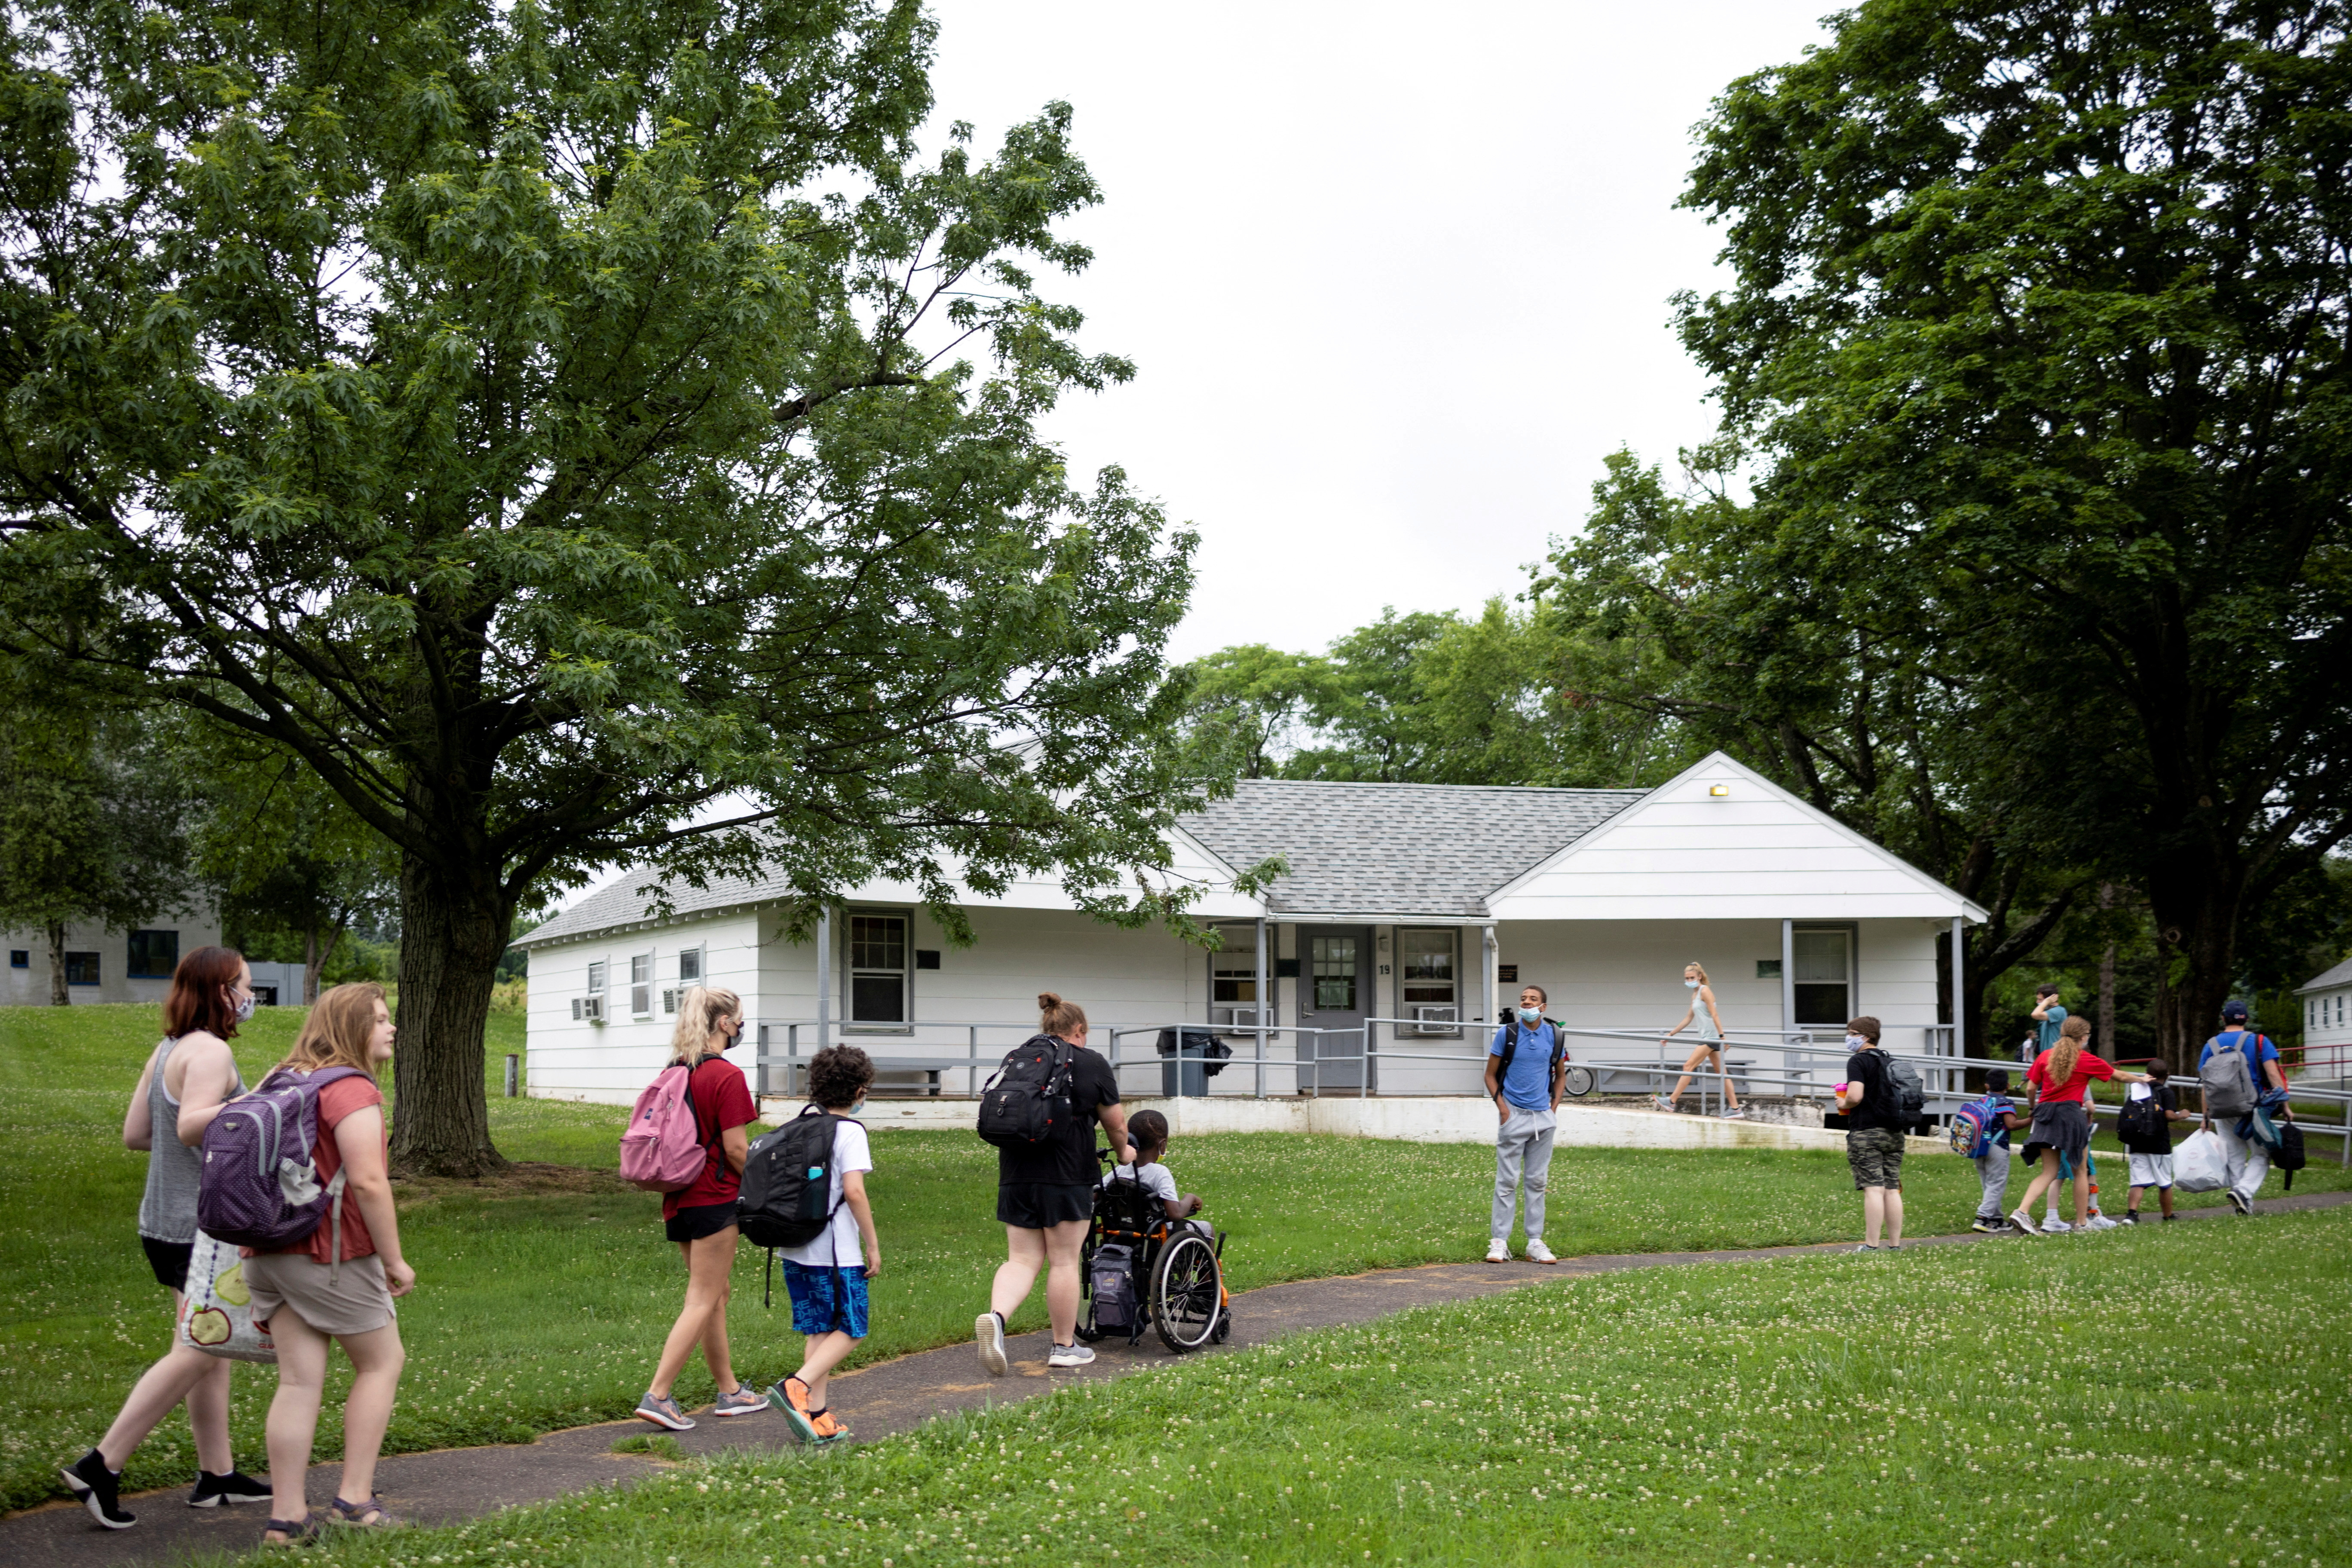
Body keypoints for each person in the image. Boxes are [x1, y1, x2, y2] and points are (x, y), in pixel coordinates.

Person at [60, 947, 271, 1531]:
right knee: (200, 1347)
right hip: (198, 1229)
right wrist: (258, 1105)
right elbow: (189, 1125)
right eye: (247, 987)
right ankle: (101, 1465)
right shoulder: (210, 1052)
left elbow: (136, 1135)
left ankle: (217, 1475)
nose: (252, 999)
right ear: (223, 991)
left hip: (162, 1223)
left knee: (211, 1346)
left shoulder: (169, 1049)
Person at [248, 984, 415, 1544]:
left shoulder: (280, 1076)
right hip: (328, 1253)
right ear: (352, 1028)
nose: (391, 1029)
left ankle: (288, 1518)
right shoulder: (350, 1088)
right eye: (381, 1020)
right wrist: (394, 1260)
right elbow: (368, 1180)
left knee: (298, 1383)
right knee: (382, 1362)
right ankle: (354, 1498)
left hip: (268, 1249)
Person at [976, 992, 1134, 1375]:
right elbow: (1115, 1123)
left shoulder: (1019, 1058)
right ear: (1079, 1030)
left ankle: (996, 1319)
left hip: (1016, 1174)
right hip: (1066, 1176)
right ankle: (1064, 1346)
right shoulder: (1092, 1063)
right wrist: (1126, 1153)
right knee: (1063, 1260)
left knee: (1022, 1260)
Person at [634, 986, 764, 1432]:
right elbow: (735, 1149)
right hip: (715, 1198)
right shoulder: (726, 1077)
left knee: (715, 1296)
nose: (742, 1027)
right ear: (724, 1023)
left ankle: (730, 1392)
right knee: (703, 1298)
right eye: (739, 1019)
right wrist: (764, 1186)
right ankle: (660, 1394)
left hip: (678, 1199)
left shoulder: (677, 1070)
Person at [767, 1046, 880, 1447]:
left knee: (820, 1329)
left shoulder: (798, 1125)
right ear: (860, 1089)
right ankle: (794, 1386)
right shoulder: (849, 1131)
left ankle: (816, 1415)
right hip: (837, 1253)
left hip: (795, 1249)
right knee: (852, 1328)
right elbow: (854, 1191)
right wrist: (873, 1244)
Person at [2009, 1016, 2152, 1236]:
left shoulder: (2046, 1056)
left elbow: (2030, 1088)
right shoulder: (2086, 1059)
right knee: (2080, 1171)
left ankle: (2021, 1212)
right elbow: (2119, 1075)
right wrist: (2142, 1079)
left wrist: (2032, 1109)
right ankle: (2082, 1224)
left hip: (2045, 1114)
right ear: (2084, 1037)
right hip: (2070, 1116)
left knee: (2049, 1171)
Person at [1485, 984, 1566, 1264]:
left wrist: (1553, 1109)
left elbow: (1561, 1075)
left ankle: (1535, 1242)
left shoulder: (1555, 1036)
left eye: (1533, 1000)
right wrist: (1504, 1110)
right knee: (1507, 1181)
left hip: (1543, 1118)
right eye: (1523, 999)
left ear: (1543, 1007)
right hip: (1514, 1115)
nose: (1527, 1003)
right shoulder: (1507, 1034)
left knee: (1537, 1181)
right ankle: (1499, 1242)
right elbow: (1490, 1075)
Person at [2198, 999, 2293, 1217]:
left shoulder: (2211, 1045)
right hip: (2253, 1110)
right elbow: (2273, 1075)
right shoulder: (2259, 1041)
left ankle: (2241, 1207)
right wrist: (2285, 1105)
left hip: (2222, 1111)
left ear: (2223, 1018)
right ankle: (2244, 1191)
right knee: (2261, 1154)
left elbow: (2206, 1084)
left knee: (2234, 1158)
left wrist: (2206, 1116)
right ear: (2246, 1020)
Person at [1832, 1016, 1907, 1252]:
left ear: (1865, 1037)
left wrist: (1842, 1104)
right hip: (1895, 1132)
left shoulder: (1858, 1061)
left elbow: (1855, 1096)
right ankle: (1895, 1246)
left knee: (1873, 1189)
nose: (1849, 1038)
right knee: (1892, 1188)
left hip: (1867, 1132)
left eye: (1852, 1033)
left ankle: (1871, 1247)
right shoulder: (1890, 1061)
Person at [1652, 962, 1744, 1119]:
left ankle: (1672, 1101)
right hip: (1708, 1037)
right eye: (1687, 979)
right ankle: (1736, 1109)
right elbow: (1689, 1018)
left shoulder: (1705, 991)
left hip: (1712, 1037)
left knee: (1688, 1066)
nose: (1689, 981)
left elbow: (1715, 1015)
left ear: (1700, 977)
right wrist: (1671, 1034)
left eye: (1692, 978)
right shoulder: (1695, 995)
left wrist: (1723, 1038)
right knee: (1722, 1072)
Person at [1102, 1108, 1210, 1235]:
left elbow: (1095, 1194)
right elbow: (1175, 1214)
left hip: (1121, 1231)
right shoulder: (1160, 1173)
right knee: (1207, 1228)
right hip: (1155, 1234)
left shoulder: (1120, 1170)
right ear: (1162, 1145)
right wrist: (1190, 1197)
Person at [2122, 1061, 2187, 1223]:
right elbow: (2170, 1116)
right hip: (2159, 1143)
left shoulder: (2137, 1091)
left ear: (2148, 1074)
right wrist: (2183, 1115)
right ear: (2167, 1076)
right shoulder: (2166, 1093)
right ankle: (2168, 1215)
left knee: (2138, 1182)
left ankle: (2132, 1214)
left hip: (2137, 1141)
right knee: (2164, 1182)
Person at [1966, 1068, 2025, 1234]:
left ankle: (1997, 1219)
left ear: (1987, 1085)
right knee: (1997, 1183)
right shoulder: (2005, 1103)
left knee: (1988, 1183)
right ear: (2007, 1085)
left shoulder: (1981, 1101)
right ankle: (1983, 1218)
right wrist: (2031, 1119)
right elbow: (2012, 1124)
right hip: (1998, 1147)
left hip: (1978, 1147)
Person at [2028, 983, 2068, 1063]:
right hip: (2046, 1058)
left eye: (2040, 1000)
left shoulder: (2059, 1011)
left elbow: (2035, 1014)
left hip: (2054, 1059)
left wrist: (2046, 1002)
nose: (2037, 1002)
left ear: (2050, 999)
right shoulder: (2048, 1014)